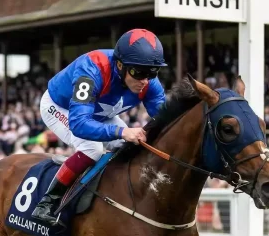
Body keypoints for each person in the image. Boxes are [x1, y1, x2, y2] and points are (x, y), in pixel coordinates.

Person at [30, 28, 168, 224]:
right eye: (139, 72)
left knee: (129, 149)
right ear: (120, 65)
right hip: (60, 107)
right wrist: (122, 131)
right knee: (92, 149)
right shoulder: (92, 68)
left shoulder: (149, 83)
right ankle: (47, 204)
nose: (145, 80)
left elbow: (165, 120)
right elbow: (79, 124)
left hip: (98, 112)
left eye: (152, 73)